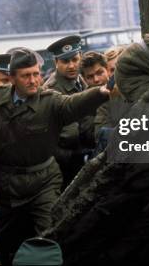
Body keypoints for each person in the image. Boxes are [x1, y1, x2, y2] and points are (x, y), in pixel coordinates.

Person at [0, 48, 110, 265]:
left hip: (42, 181)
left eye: (36, 74)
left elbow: (74, 104)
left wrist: (102, 92)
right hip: (6, 184)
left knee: (50, 235)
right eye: (26, 75)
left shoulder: (50, 101)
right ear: (13, 78)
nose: (34, 80)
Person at [43, 35, 94, 188]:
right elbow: (51, 138)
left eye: (75, 59)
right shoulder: (51, 91)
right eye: (65, 61)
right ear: (56, 63)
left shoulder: (83, 82)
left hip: (85, 156)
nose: (71, 66)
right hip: (66, 165)